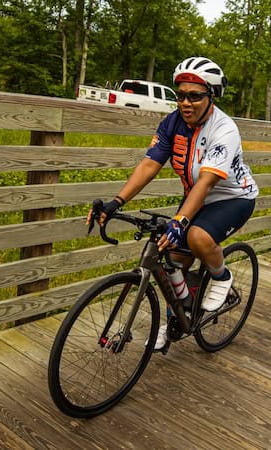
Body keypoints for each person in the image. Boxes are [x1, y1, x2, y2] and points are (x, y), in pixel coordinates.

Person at [89, 56, 259, 350]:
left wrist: (181, 221)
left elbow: (207, 182)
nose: (185, 103)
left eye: (194, 96)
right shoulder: (173, 122)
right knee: (172, 260)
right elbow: (149, 165)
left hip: (233, 198)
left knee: (196, 236)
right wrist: (116, 202)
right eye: (180, 95)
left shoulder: (224, 129)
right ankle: (176, 320)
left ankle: (222, 277)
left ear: (212, 96)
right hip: (196, 196)